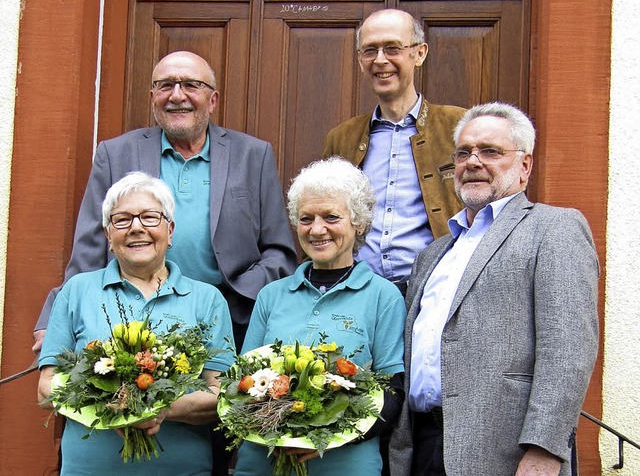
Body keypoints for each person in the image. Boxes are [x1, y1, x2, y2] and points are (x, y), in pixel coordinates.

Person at [33, 50, 297, 354]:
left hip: (229, 321)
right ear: (152, 97)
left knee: (212, 400)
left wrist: (234, 295)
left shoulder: (253, 155)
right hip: (132, 321)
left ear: (213, 100)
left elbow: (279, 252)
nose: (177, 95)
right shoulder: (116, 154)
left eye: (191, 85)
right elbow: (88, 252)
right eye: (165, 85)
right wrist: (56, 318)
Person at [389, 103, 599, 476]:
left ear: (524, 166)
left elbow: (568, 350)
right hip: (421, 448)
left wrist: (545, 450)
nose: (472, 162)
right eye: (464, 152)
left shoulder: (554, 229)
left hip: (505, 453)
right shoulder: (433, 254)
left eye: (490, 151)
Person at [37, 172, 236, 475]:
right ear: (108, 235)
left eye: (150, 217)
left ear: (170, 231)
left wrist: (158, 408)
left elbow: (223, 395)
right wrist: (112, 403)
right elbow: (46, 390)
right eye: (122, 220)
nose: (136, 228)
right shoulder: (76, 291)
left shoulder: (207, 299)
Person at [233, 157, 406, 475]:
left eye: (331, 217)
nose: (316, 229)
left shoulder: (383, 297)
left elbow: (392, 393)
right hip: (261, 463)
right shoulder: (272, 295)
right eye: (306, 218)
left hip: (345, 466)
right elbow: (241, 383)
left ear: (359, 223)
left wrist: (324, 437)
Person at [323, 9, 466, 296]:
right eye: (369, 50)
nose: (380, 60)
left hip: (436, 291)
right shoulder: (342, 138)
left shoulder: (459, 128)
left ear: (420, 53)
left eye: (392, 48)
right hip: (359, 293)